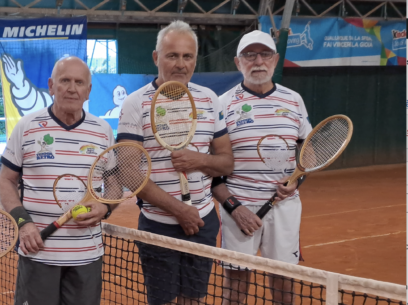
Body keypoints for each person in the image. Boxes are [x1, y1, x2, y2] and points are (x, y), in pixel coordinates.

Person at [117, 20, 234, 305]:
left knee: (193, 300)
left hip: (203, 220)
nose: (180, 64)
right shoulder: (135, 103)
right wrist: (179, 210)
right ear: (157, 58)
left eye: (187, 56)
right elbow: (128, 172)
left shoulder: (210, 100)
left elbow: (226, 163)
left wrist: (199, 159)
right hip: (159, 225)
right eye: (172, 55)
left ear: (195, 59)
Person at [0, 56, 115, 305]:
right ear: (51, 86)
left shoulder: (103, 131)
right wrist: (23, 223)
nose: (72, 88)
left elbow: (114, 183)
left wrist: (106, 207)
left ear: (88, 90)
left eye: (79, 82)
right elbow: (6, 180)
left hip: (87, 257)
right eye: (65, 81)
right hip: (38, 254)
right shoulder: (27, 127)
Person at [212, 30, 313, 305]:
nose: (258, 61)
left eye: (265, 54)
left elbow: (309, 148)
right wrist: (236, 208)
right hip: (238, 208)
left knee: (284, 279)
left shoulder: (294, 100)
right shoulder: (222, 105)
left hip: (285, 208)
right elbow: (213, 168)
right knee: (236, 281)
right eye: (249, 55)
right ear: (237, 62)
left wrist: (296, 180)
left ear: (275, 59)